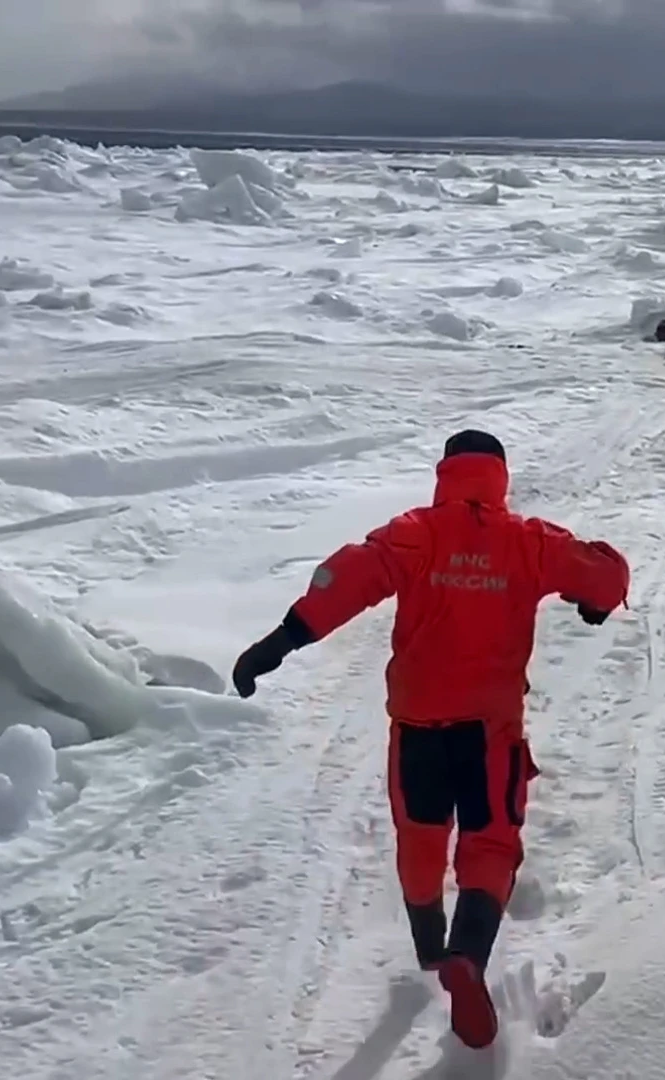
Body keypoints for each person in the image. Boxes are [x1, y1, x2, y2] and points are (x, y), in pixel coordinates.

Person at [229, 429, 632, 1051]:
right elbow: (606, 575)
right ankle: (465, 959)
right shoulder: (528, 542)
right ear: (499, 477)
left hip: (417, 727)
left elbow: (346, 578)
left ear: (445, 474)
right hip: (488, 732)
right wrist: (596, 606)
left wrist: (280, 642)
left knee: (419, 839)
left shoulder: (415, 533)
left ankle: (427, 949)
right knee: (490, 843)